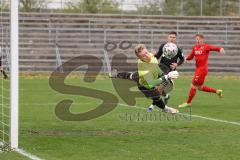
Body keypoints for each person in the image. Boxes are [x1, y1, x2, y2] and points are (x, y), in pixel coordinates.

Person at [110, 31, 184, 107]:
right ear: (168, 37)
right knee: (134, 76)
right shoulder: (163, 46)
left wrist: (176, 64)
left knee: (158, 89)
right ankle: (116, 74)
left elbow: (182, 59)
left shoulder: (178, 49)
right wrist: (151, 58)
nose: (172, 39)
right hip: (159, 68)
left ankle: (154, 104)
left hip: (168, 72)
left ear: (176, 39)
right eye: (170, 37)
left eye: (173, 37)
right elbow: (157, 56)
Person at [178, 33, 224, 108]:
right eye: (196, 39)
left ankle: (188, 103)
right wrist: (186, 58)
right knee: (199, 87)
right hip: (198, 69)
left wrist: (220, 49)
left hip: (202, 70)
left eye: (198, 39)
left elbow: (214, 48)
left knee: (193, 85)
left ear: (202, 39)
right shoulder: (195, 48)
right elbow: (191, 56)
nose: (197, 40)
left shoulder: (206, 47)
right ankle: (217, 91)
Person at [131, 44, 179, 114]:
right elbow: (151, 84)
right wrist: (166, 77)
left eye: (146, 53)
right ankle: (165, 108)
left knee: (160, 89)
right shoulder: (143, 67)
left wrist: (163, 75)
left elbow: (156, 67)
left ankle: (165, 96)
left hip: (153, 77)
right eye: (143, 56)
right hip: (145, 86)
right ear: (140, 58)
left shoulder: (151, 56)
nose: (147, 56)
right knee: (156, 96)